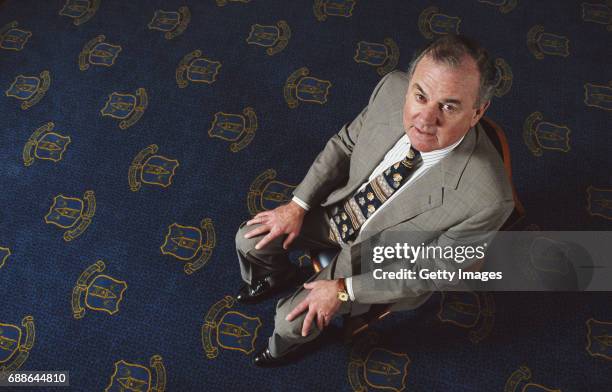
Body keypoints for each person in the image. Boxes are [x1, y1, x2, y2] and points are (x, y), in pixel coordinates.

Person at [235, 34, 514, 367]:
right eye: (420, 96)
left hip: (377, 260)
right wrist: (298, 205)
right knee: (249, 240)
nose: (424, 120)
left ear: (478, 111)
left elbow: (428, 271)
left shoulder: (489, 200)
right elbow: (345, 145)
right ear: (410, 85)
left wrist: (344, 290)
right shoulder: (391, 89)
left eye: (449, 106)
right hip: (337, 210)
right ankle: (276, 275)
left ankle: (285, 348)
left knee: (291, 321)